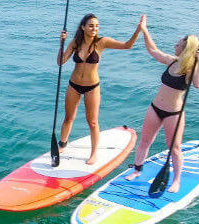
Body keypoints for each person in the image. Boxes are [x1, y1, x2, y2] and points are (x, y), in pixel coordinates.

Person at [125, 14, 199, 193]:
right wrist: (144, 30)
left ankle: (176, 180)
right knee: (145, 141)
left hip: (174, 114)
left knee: (174, 148)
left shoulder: (191, 70)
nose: (175, 46)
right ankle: (137, 170)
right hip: (155, 108)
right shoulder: (172, 61)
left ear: (185, 49)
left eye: (178, 44)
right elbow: (153, 51)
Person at [57, 13, 141, 165]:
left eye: (96, 26)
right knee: (68, 118)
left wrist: (138, 30)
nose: (94, 28)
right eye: (91, 25)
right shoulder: (75, 42)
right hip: (74, 85)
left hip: (92, 87)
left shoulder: (102, 42)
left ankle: (94, 153)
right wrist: (62, 43)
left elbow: (127, 45)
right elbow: (60, 62)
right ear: (83, 27)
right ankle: (62, 144)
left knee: (93, 122)